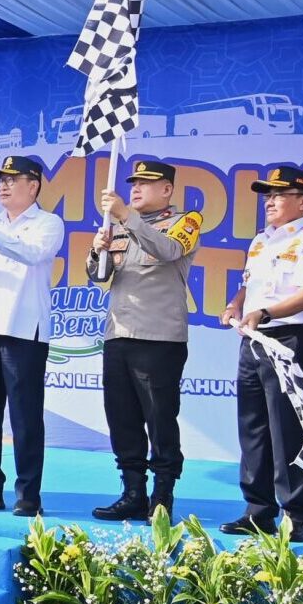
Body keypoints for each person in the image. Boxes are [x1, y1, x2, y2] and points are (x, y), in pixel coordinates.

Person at [87, 161, 204, 523]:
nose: (136, 188)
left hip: (159, 337)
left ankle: (163, 493)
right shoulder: (119, 227)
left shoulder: (186, 222)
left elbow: (167, 252)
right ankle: (132, 491)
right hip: (118, 333)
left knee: (160, 418)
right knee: (122, 418)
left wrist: (127, 218)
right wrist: (98, 251)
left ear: (167, 189)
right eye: (133, 183)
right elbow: (100, 278)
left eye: (146, 183)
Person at [221, 165, 303, 540]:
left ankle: (296, 516)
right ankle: (258, 510)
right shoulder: (261, 241)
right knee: (252, 426)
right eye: (267, 194)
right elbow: (249, 286)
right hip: (252, 340)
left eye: (279, 194)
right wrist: (237, 304)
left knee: (289, 429)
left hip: (289, 340)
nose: (269, 200)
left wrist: (265, 312)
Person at [0, 155, 62, 516]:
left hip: (23, 330)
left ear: (33, 185)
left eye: (11, 179)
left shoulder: (48, 223)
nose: (2, 185)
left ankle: (28, 494)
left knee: (24, 416)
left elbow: (33, 254)